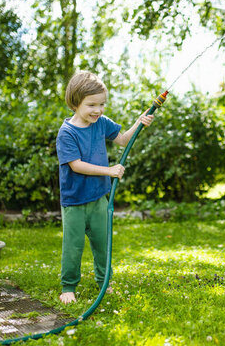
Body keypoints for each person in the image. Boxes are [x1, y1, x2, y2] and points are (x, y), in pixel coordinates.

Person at [56, 71, 154, 304]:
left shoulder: (101, 123)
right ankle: (68, 286)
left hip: (99, 197)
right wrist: (109, 170)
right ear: (75, 102)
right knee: (74, 246)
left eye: (101, 104)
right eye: (91, 104)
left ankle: (104, 282)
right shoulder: (67, 133)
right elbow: (76, 165)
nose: (97, 110)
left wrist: (138, 123)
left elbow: (122, 139)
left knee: (102, 243)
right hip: (74, 201)